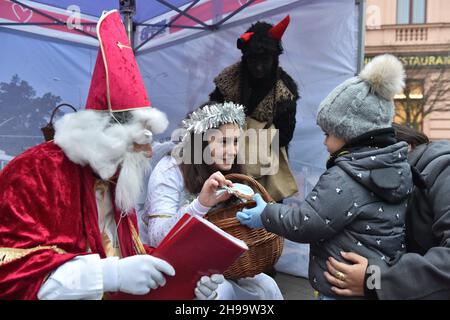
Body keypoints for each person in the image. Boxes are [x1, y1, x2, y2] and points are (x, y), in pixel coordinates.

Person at [0, 10, 222, 300]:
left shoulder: (116, 176)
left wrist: (186, 277)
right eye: (136, 144)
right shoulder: (34, 172)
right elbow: (10, 272)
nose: (148, 152)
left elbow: (132, 253)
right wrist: (107, 275)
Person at [235, 54, 414, 299]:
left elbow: (306, 222)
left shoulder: (346, 177)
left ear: (351, 134)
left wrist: (265, 214)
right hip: (371, 281)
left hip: (339, 287)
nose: (325, 142)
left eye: (328, 133)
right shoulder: (396, 168)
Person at [142, 101, 283, 300]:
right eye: (224, 142)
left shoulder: (230, 171)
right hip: (172, 265)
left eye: (235, 142)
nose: (233, 151)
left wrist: (257, 212)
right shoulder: (171, 169)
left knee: (267, 286)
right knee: (220, 292)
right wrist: (201, 204)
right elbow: (157, 237)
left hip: (219, 265)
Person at [324, 123, 450, 299]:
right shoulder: (401, 184)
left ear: (405, 148)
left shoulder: (444, 171)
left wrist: (373, 280)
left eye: (371, 161)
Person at [209, 15, 299, 202]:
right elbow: (212, 116)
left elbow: (285, 135)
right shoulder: (229, 80)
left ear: (274, 58)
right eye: (253, 60)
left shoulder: (284, 91)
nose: (258, 67)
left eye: (265, 60)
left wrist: (256, 141)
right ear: (245, 58)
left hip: (266, 169)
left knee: (266, 211)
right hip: (228, 161)